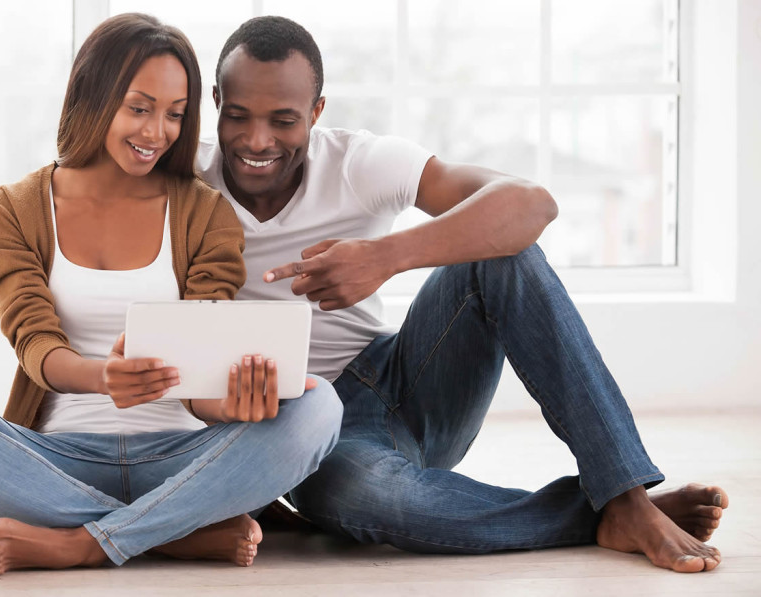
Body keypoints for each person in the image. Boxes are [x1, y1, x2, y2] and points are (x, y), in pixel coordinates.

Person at [190, 15, 728, 573]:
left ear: (317, 112)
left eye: (283, 120)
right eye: (238, 116)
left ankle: (625, 493)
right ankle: (598, 517)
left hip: (401, 378)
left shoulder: (359, 162)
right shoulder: (186, 182)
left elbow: (530, 204)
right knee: (378, 503)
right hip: (306, 428)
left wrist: (385, 257)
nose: (257, 141)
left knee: (507, 253)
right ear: (216, 102)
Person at [0, 13, 341, 577]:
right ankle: (171, 533)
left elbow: (198, 369)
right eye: (139, 107)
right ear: (93, 94)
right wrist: (104, 376)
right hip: (57, 458)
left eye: (176, 114)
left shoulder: (204, 213)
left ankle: (84, 541)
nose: (157, 132)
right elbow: (34, 344)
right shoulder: (10, 212)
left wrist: (230, 402)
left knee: (320, 405)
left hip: (179, 458)